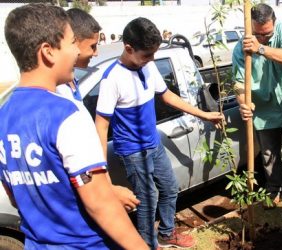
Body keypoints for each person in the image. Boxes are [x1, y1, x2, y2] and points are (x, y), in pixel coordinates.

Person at [0, 4, 149, 250]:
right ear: (48, 51)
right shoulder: (67, 115)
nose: (75, 51)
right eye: (71, 43)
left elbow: (15, 196)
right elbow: (99, 202)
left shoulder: (3, 115)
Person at [94, 17, 224, 249]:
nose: (151, 60)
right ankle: (147, 243)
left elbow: (167, 96)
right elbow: (101, 126)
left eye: (153, 55)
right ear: (128, 48)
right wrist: (101, 172)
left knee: (170, 187)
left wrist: (204, 115)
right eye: (146, 55)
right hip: (133, 151)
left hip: (153, 144)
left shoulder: (148, 66)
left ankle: (166, 233)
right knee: (147, 199)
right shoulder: (112, 79)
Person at [56, 8, 140, 211]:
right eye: (92, 46)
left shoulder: (70, 81)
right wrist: (106, 189)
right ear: (73, 42)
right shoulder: (57, 93)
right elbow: (73, 161)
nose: (96, 53)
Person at [232, 3, 282, 206]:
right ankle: (275, 187)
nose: (263, 37)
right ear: (249, 27)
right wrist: (243, 103)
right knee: (269, 155)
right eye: (258, 34)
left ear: (274, 23)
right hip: (264, 109)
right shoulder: (240, 49)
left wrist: (260, 48)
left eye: (267, 34)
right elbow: (238, 83)